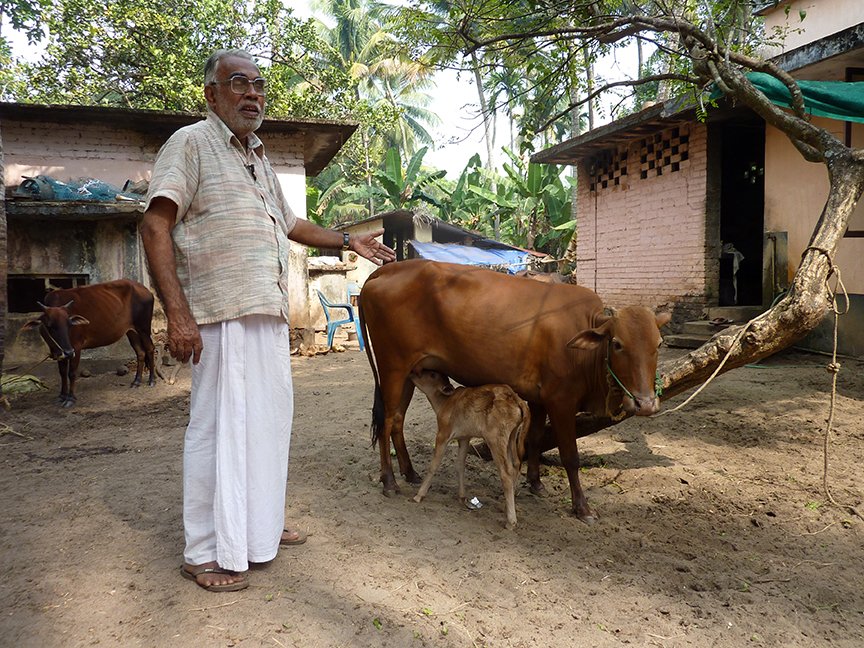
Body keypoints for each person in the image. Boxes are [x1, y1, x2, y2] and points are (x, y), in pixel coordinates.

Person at [140, 48, 396, 593]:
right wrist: (178, 315)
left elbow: (292, 223)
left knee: (267, 423)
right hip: (219, 313)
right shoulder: (191, 144)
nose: (254, 93)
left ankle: (257, 526)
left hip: (266, 310)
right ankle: (206, 550)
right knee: (218, 429)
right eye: (239, 83)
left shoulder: (257, 156)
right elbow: (155, 227)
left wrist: (351, 239)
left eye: (259, 85)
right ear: (212, 94)